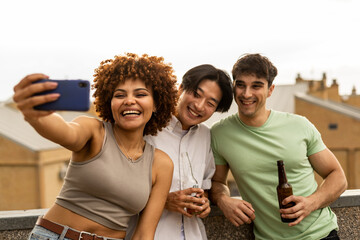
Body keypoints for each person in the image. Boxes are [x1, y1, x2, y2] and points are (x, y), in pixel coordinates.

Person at [13, 53, 178, 240]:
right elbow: (66, 132)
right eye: (119, 95)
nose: (129, 100)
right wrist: (36, 116)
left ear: (156, 104)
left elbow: (143, 234)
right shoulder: (94, 131)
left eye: (140, 94)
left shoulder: (162, 164)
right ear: (110, 102)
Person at [210, 53, 347, 240]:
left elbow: (337, 176)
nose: (246, 93)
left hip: (321, 235)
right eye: (240, 85)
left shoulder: (300, 125)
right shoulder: (220, 133)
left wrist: (311, 203)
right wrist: (223, 200)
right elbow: (217, 182)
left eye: (256, 86)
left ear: (270, 90)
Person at [126, 64, 233, 240]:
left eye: (210, 103)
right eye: (196, 94)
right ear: (181, 89)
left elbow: (205, 185)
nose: (199, 106)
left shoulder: (205, 136)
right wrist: (164, 201)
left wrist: (204, 203)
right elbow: (120, 188)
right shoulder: (145, 127)